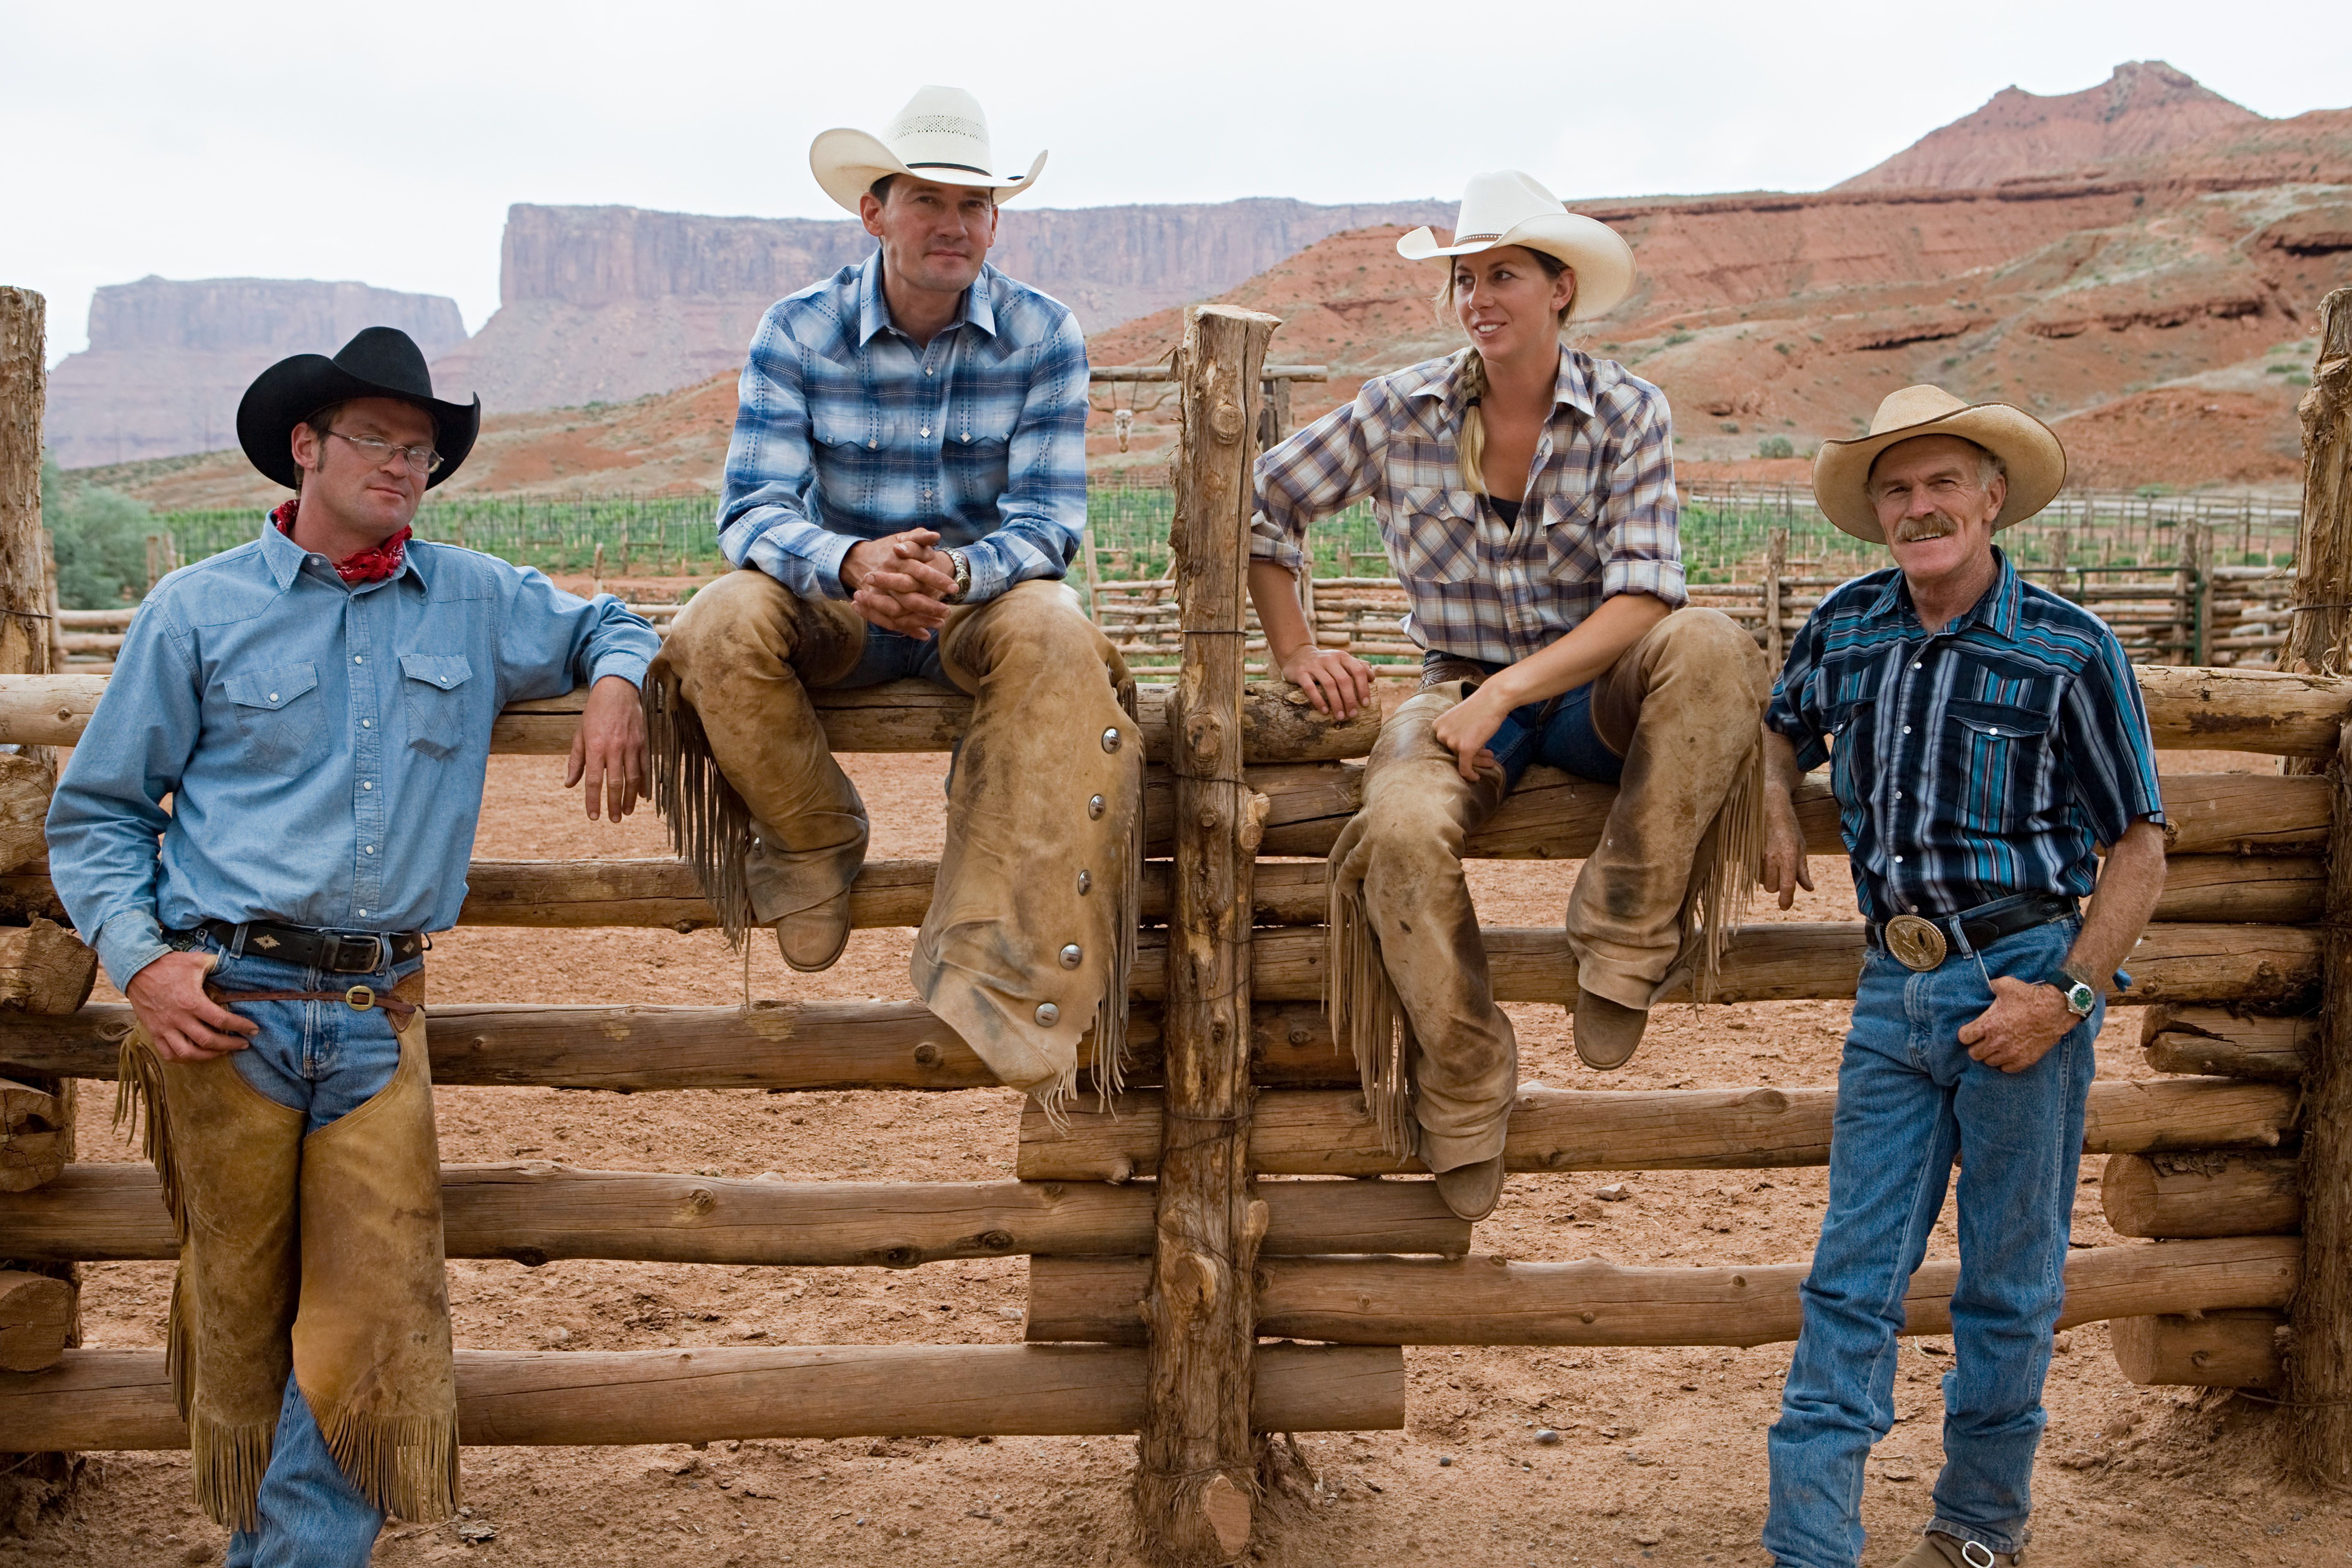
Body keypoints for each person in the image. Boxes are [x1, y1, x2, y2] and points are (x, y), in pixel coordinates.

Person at [45, 326, 659, 1568]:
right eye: (375, 438)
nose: (401, 465)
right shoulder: (197, 609)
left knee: (371, 1319)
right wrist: (142, 962)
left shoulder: (476, 598)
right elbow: (100, 812)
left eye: (421, 450)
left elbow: (615, 621)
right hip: (226, 1002)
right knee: (239, 1301)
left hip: (380, 1010)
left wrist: (617, 681)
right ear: (306, 447)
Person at [1248, 170, 1771, 1221]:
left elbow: (1644, 597)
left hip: (1598, 691)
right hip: (1455, 681)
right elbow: (1261, 503)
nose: (1479, 299)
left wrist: (1514, 693)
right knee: (1397, 831)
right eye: (1465, 279)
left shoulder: (1628, 409)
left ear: (1560, 287)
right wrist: (1295, 647)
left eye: (1504, 276)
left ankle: (1625, 935)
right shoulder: (1398, 409)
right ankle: (1464, 1070)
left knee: (1714, 642)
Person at [648, 85, 1138, 1112]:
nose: (953, 224)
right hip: (841, 600)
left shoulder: (1045, 332)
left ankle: (987, 933)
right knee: (714, 623)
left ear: (995, 223)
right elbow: (752, 511)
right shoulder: (798, 328)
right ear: (874, 213)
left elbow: (1048, 523)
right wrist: (852, 564)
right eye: (927, 200)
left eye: (974, 205)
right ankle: (813, 833)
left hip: (979, 603)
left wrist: (956, 574)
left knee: (1057, 624)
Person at [1757, 385, 2169, 1568]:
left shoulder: (2068, 646)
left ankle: (1980, 1527)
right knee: (1852, 1270)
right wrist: (1775, 793)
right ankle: (1809, 1546)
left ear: (1992, 501)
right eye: (1897, 488)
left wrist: (2066, 1000)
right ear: (1876, 513)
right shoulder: (1847, 626)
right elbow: (1779, 724)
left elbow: (2139, 843)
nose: (1919, 506)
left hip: (2024, 979)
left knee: (2008, 1277)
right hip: (1892, 983)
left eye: (1943, 483)